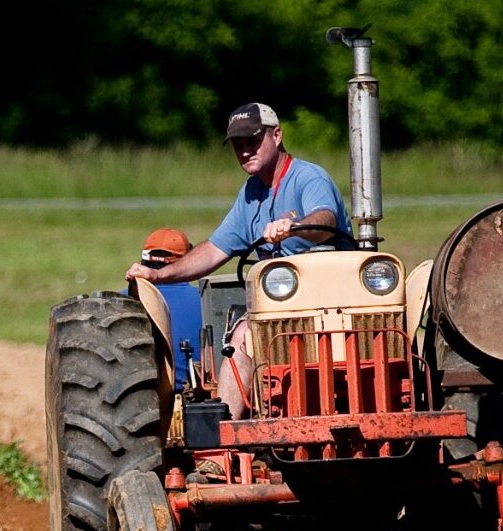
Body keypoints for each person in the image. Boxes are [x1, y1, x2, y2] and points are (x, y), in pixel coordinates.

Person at [124, 103, 352, 418]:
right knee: (240, 337)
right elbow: (215, 250)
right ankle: (225, 442)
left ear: (277, 135)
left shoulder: (307, 178)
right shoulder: (251, 194)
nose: (245, 151)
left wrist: (294, 227)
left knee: (247, 332)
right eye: (238, 145)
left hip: (334, 301)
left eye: (252, 141)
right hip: (279, 309)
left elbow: (326, 220)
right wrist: (159, 275)